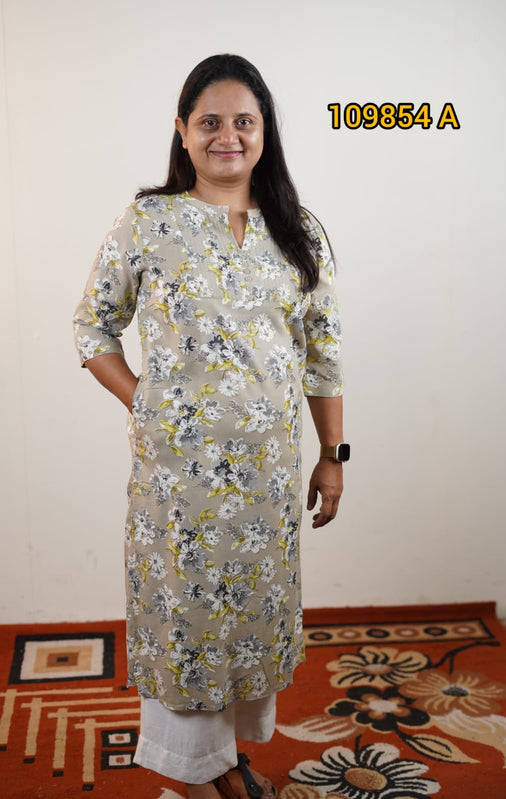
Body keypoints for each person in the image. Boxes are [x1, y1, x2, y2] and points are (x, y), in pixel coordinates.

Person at [73, 54, 347, 799]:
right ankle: (195, 773)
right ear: (183, 131)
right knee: (187, 619)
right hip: (177, 480)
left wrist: (333, 455)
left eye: (243, 121)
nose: (228, 136)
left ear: (265, 131)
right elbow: (92, 326)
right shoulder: (149, 221)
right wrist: (144, 401)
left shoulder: (298, 231)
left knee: (249, 615)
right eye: (211, 122)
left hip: (265, 480)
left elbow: (323, 355)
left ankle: (223, 757)